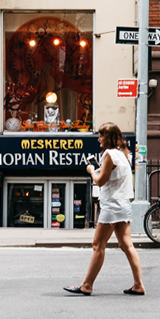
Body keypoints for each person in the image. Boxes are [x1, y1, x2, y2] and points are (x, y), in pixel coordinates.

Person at [64, 123, 145, 296]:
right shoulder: (124, 155)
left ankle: (86, 285)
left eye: (101, 136)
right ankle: (138, 284)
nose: (99, 139)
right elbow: (112, 176)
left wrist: (92, 171)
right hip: (124, 204)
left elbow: (100, 181)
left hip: (111, 205)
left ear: (108, 137)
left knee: (98, 245)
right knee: (127, 245)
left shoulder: (109, 154)